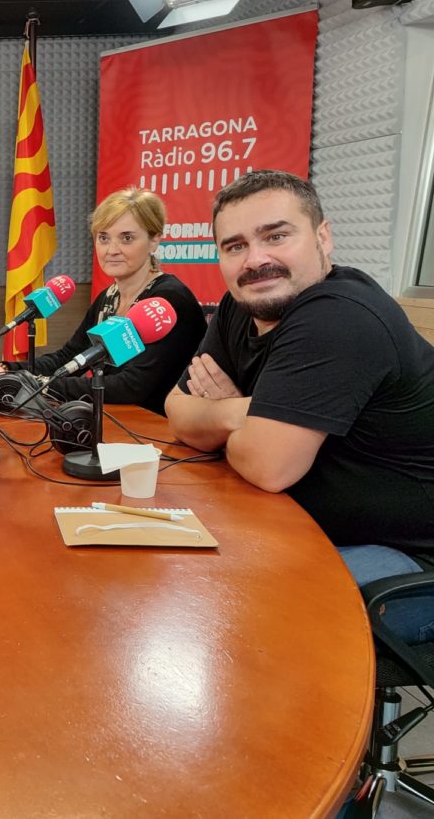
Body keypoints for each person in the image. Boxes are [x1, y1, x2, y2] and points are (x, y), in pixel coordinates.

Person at [164, 170, 434, 633]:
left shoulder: (338, 316)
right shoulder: (240, 306)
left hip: (405, 562)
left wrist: (230, 423)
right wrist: (246, 410)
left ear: (323, 237)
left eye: (276, 236)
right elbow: (177, 410)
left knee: (218, 605)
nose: (256, 260)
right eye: (235, 246)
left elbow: (267, 466)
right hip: (297, 521)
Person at [23, 188, 205, 415]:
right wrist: (9, 371)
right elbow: (69, 358)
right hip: (117, 420)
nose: (112, 250)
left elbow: (132, 386)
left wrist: (41, 385)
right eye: (104, 238)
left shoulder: (170, 300)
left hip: (160, 427)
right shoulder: (109, 297)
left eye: (126, 238)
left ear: (154, 240)